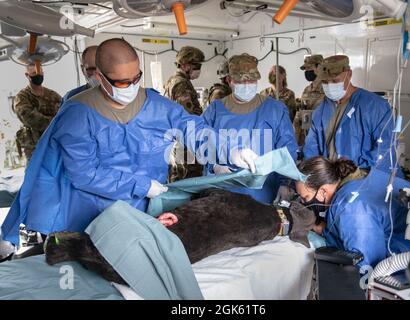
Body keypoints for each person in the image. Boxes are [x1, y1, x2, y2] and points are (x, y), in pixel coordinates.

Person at [1, 39, 258, 246]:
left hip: (146, 211)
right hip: (92, 215)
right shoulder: (78, 113)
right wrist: (141, 185)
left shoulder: (156, 105)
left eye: (137, 78)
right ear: (100, 77)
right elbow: (84, 173)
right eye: (123, 82)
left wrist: (230, 151)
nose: (133, 86)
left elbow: (192, 128)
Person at [202, 53, 299, 205]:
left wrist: (285, 183)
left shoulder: (275, 109)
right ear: (229, 80)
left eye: (251, 80)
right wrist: (213, 165)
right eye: (241, 81)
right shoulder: (215, 111)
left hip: (264, 191)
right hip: (224, 190)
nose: (247, 85)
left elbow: (287, 149)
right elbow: (202, 142)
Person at [295, 156, 410, 268]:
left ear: (323, 191)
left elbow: (365, 263)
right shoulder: (356, 178)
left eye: (305, 198)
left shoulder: (351, 207)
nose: (303, 203)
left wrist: (326, 233)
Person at [303, 55, 395, 173]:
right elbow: (311, 149)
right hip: (331, 178)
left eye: (335, 81)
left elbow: (385, 151)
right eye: (325, 82)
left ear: (349, 74)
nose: (330, 85)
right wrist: (314, 175)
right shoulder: (320, 111)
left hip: (364, 178)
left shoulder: (374, 106)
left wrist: (355, 174)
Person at [164, 46, 205, 182]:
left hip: (176, 140)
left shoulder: (172, 80)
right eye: (196, 65)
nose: (198, 69)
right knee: (189, 180)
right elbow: (188, 117)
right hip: (185, 142)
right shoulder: (182, 85)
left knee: (178, 177)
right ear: (185, 65)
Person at [14, 64, 61, 161]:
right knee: (36, 173)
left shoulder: (53, 95)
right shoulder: (22, 96)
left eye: (40, 73)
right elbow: (28, 117)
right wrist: (54, 123)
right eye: (34, 73)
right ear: (27, 75)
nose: (38, 75)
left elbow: (63, 114)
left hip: (54, 143)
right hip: (34, 147)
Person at [294, 54, 325, 146]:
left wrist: (305, 115)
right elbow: (301, 118)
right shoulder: (307, 90)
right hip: (307, 139)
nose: (307, 72)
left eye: (309, 68)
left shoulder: (328, 89)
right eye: (305, 70)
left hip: (322, 138)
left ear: (319, 66)